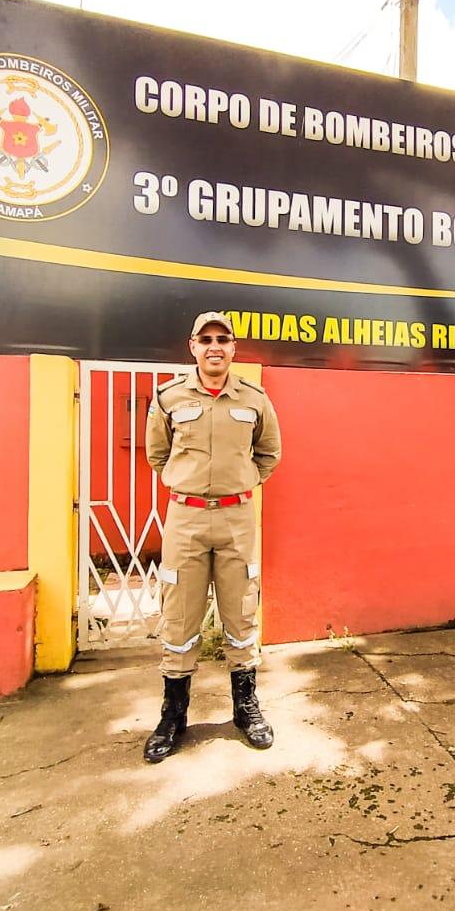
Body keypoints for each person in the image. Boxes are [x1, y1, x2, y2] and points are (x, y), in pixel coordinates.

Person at [142, 311, 282, 763]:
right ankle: (173, 714)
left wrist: (239, 483)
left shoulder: (255, 399)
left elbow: (269, 453)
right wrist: (190, 485)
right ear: (193, 347)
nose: (215, 347)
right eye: (206, 340)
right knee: (179, 612)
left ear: (233, 348)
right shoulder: (169, 397)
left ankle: (245, 707)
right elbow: (158, 454)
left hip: (237, 518)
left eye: (223, 339)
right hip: (185, 518)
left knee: (241, 609)